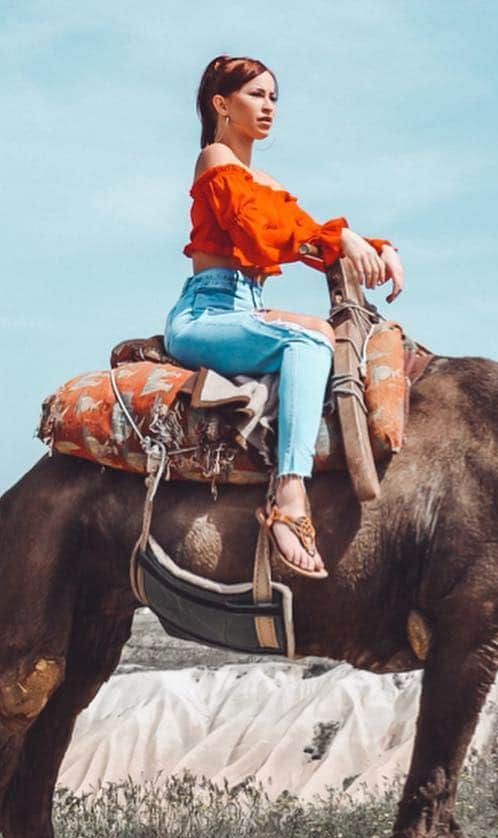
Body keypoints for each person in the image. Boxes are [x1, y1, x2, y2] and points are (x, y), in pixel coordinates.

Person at [164, 55, 403, 578]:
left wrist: (379, 248)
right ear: (221, 104)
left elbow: (307, 233)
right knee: (310, 342)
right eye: (256, 95)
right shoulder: (214, 161)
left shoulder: (265, 181)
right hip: (206, 312)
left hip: (247, 309)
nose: (268, 106)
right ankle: (289, 496)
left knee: (327, 340)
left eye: (274, 97)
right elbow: (260, 235)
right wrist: (340, 238)